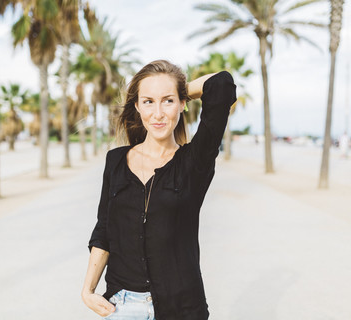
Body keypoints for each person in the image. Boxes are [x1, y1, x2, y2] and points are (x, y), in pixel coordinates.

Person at [81, 60, 237, 320]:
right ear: (137, 107)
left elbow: (221, 85)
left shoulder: (194, 163)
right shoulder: (116, 161)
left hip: (182, 308)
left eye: (168, 101)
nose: (158, 113)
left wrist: (179, 87)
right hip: (121, 306)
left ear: (182, 104)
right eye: (148, 101)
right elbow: (104, 230)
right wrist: (88, 290)